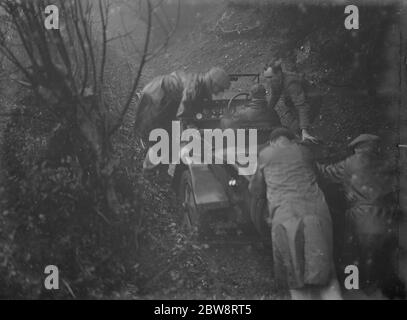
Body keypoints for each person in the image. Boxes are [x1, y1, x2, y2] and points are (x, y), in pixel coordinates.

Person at [249, 127, 342, 300]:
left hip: (285, 218)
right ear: (292, 140)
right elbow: (319, 176)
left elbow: (255, 189)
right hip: (315, 215)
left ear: (272, 142)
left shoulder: (265, 154)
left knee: (296, 280)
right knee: (326, 276)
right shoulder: (304, 151)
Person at [316, 134, 397, 296]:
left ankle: (354, 291)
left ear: (357, 148)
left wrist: (306, 159)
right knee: (385, 262)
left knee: (353, 259)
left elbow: (324, 172)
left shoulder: (350, 163)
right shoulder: (389, 164)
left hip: (360, 219)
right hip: (388, 219)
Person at [137, 67, 231, 171]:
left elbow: (196, 107)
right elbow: (183, 114)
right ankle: (147, 169)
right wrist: (193, 130)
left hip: (165, 99)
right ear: (213, 83)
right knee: (162, 139)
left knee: (171, 136)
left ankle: (161, 166)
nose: (219, 92)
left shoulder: (202, 85)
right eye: (220, 88)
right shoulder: (194, 88)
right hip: (156, 98)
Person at [264, 59, 318, 143]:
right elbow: (274, 97)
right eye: (266, 78)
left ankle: (307, 142)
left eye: (270, 77)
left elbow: (302, 106)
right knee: (290, 127)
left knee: (294, 130)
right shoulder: (275, 81)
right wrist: (265, 112)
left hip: (311, 102)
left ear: (279, 73)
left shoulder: (291, 83)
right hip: (294, 102)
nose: (268, 81)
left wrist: (304, 130)